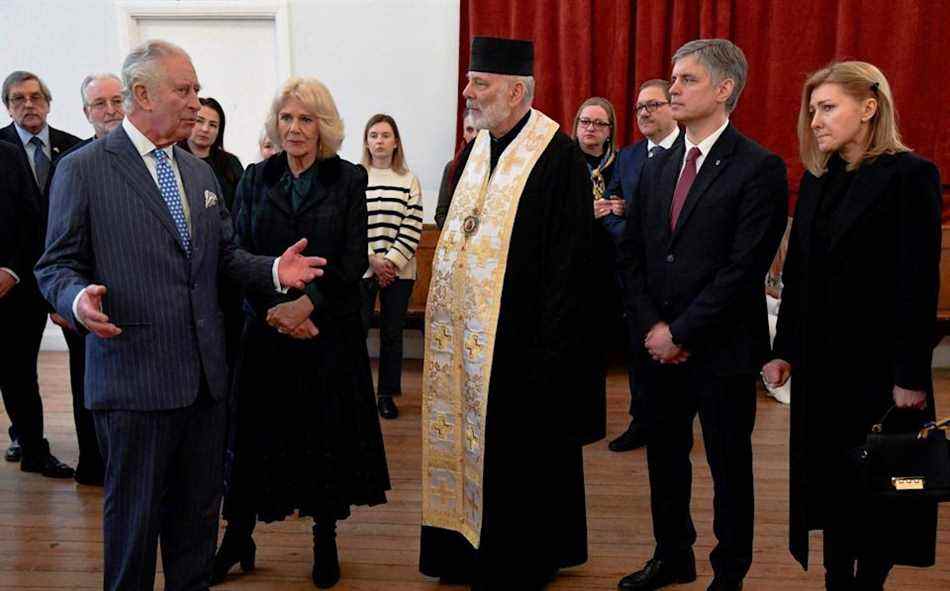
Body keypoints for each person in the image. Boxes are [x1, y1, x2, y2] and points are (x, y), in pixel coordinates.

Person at [34, 39, 326, 591]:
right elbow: (55, 265)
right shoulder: (85, 170)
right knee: (133, 529)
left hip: (204, 383)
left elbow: (225, 257)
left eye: (196, 89)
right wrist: (75, 299)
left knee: (195, 527)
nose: (196, 101)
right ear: (140, 94)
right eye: (184, 89)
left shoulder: (199, 174)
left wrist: (273, 273)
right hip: (133, 380)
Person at [419, 36, 603, 590]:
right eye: (471, 80)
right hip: (468, 340)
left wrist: (550, 350)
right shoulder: (477, 149)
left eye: (481, 84)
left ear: (517, 91)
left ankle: (521, 557)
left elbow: (572, 264)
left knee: (522, 455)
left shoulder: (558, 155)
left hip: (525, 344)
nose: (467, 92)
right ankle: (461, 549)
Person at [763, 61, 942, 591]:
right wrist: (783, 349)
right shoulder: (819, 179)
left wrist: (910, 373)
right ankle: (836, 578)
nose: (815, 120)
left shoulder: (912, 176)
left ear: (869, 107)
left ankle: (869, 582)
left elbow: (917, 283)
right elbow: (798, 278)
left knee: (883, 484)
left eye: (828, 107)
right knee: (832, 484)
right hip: (822, 368)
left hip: (881, 371)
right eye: (812, 109)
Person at [617, 39, 787, 591]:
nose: (673, 89)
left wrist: (681, 331)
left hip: (721, 350)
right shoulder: (656, 165)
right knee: (665, 461)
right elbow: (636, 256)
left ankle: (729, 572)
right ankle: (672, 556)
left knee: (728, 467)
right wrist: (652, 329)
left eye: (687, 79)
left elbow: (744, 268)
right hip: (657, 351)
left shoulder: (759, 167)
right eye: (674, 79)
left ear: (724, 89)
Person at [212, 77, 390, 589]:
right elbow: (237, 254)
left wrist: (307, 305)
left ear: (324, 127)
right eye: (287, 118)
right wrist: (276, 311)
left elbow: (354, 257)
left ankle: (324, 537)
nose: (294, 128)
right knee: (254, 440)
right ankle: (237, 535)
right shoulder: (253, 178)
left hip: (326, 334)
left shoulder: (349, 179)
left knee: (322, 437)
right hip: (267, 333)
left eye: (306, 119)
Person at [0, 69, 79, 478]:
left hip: (67, 278)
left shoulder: (74, 149)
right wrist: (9, 267)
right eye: (17, 99)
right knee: (17, 368)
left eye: (34, 96)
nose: (28, 104)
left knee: (84, 363)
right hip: (17, 281)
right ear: (7, 106)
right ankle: (33, 447)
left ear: (48, 101)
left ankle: (96, 449)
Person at [50, 72, 128, 486]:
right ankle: (94, 463)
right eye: (100, 104)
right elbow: (55, 243)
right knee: (86, 384)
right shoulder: (73, 165)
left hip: (135, 298)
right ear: (86, 113)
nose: (111, 110)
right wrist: (62, 300)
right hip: (84, 301)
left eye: (117, 100)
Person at [605, 79, 681, 453]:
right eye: (639, 108)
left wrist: (631, 217)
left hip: (677, 277)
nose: (645, 113)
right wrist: (627, 231)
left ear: (673, 106)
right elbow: (609, 207)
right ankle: (641, 422)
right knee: (639, 354)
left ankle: (673, 422)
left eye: (654, 105)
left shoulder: (690, 152)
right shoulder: (629, 157)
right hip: (635, 277)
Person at [359, 113, 423, 420]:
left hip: (400, 271)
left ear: (395, 142)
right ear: (367, 141)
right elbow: (352, 224)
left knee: (392, 333)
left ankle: (386, 394)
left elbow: (412, 226)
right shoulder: (356, 176)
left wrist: (391, 263)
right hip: (362, 268)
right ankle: (356, 391)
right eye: (373, 135)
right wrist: (372, 259)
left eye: (385, 135)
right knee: (356, 330)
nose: (379, 141)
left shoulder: (408, 179)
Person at [179, 97, 244, 211]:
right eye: (199, 121)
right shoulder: (173, 158)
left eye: (213, 125)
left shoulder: (231, 163)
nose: (205, 129)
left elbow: (242, 206)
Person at [434, 109, 477, 228]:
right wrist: (457, 232)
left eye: (479, 130)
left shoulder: (498, 167)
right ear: (463, 133)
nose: (474, 135)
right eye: (469, 130)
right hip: (455, 239)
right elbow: (440, 214)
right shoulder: (452, 167)